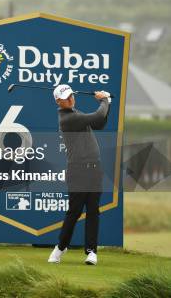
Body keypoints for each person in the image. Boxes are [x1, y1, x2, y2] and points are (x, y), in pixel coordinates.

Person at [48, 84, 111, 266]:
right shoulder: (67, 119)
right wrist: (104, 99)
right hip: (78, 170)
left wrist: (109, 103)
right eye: (65, 98)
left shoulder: (76, 113)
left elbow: (100, 123)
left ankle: (91, 252)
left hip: (94, 169)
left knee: (93, 210)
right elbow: (98, 115)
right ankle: (60, 247)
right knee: (74, 212)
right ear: (58, 101)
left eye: (70, 96)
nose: (70, 99)